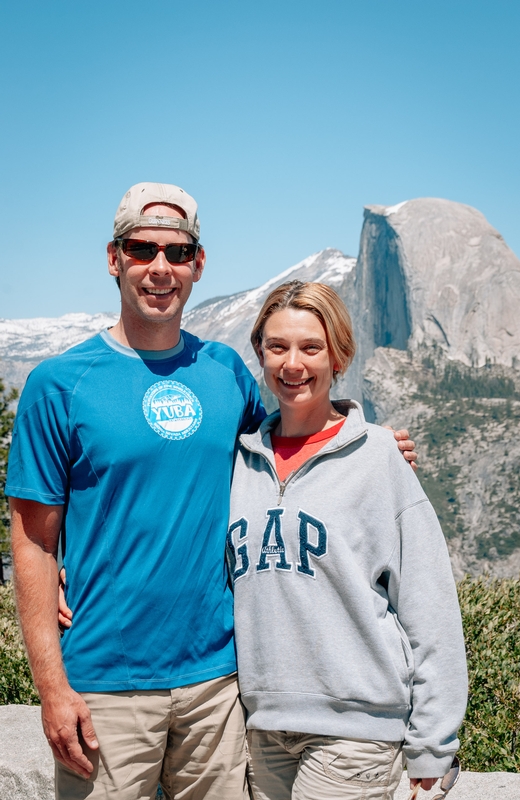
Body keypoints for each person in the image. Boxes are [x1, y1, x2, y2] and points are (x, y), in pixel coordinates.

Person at [8, 181, 417, 800]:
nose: (159, 268)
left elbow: (293, 437)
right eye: (141, 249)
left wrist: (367, 440)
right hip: (104, 687)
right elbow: (32, 543)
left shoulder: (225, 371)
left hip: (220, 688)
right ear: (114, 258)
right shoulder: (58, 385)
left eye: (176, 252)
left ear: (198, 264)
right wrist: (52, 688)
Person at [226, 280, 468, 800]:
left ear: (339, 357)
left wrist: (433, 743)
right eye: (278, 347)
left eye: (311, 348)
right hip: (262, 730)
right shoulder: (239, 461)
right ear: (261, 355)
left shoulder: (379, 457)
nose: (293, 364)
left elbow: (430, 607)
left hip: (355, 736)